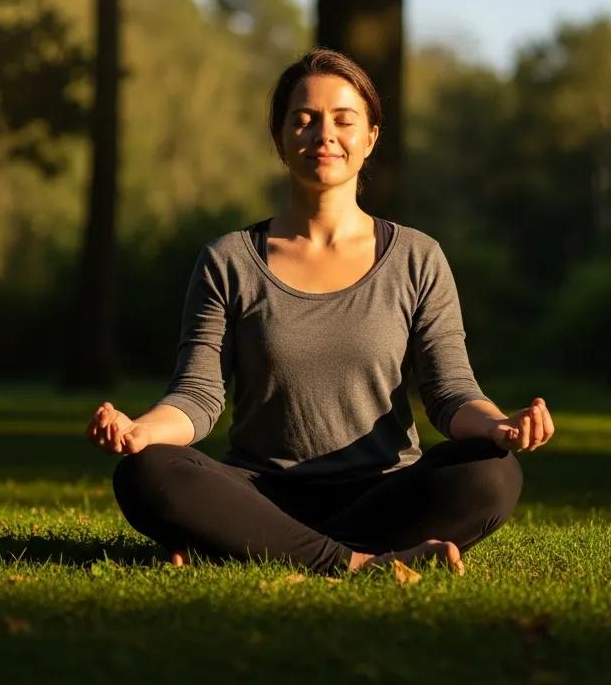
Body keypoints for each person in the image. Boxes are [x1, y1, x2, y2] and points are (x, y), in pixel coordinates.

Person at [86, 46, 555, 576]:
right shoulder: (229, 260)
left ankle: (248, 545)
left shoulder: (417, 257)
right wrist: (142, 431)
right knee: (147, 471)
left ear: (370, 137)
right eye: (304, 119)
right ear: (280, 138)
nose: (323, 135)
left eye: (343, 120)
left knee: (493, 474)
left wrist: (500, 426)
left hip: (383, 492)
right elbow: (198, 396)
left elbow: (450, 393)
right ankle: (354, 560)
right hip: (260, 494)